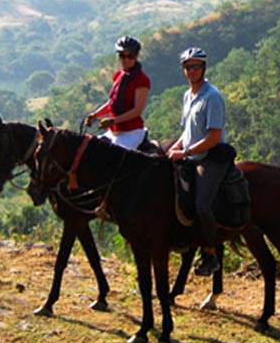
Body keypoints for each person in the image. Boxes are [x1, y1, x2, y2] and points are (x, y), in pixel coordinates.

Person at [166, 47, 228, 276]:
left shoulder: (213, 97)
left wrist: (186, 152)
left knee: (202, 204)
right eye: (188, 67)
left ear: (204, 68)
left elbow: (213, 136)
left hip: (210, 158)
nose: (192, 71)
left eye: (196, 67)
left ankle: (210, 254)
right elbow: (188, 130)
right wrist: (176, 147)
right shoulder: (188, 95)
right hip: (190, 155)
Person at [85, 36, 151, 150]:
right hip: (113, 132)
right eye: (122, 56)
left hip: (131, 133)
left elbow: (137, 111)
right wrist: (95, 115)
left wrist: (112, 120)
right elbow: (112, 102)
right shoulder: (119, 76)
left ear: (136, 56)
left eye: (129, 56)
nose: (125, 60)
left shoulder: (141, 80)